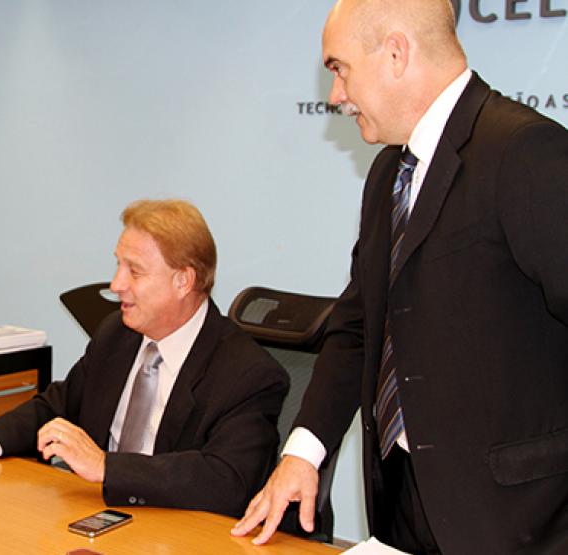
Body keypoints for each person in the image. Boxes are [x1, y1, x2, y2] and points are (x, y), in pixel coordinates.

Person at [231, 1, 568, 553]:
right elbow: (360, 324)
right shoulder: (390, 171)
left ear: (395, 53)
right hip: (402, 505)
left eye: (339, 68)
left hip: (517, 521)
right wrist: (303, 450)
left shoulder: (524, 152)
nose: (334, 95)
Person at [0, 199, 288, 517]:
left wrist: (107, 466)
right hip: (99, 519)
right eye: (118, 265)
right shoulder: (116, 335)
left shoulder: (248, 374)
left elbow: (227, 480)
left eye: (134, 271)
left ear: (183, 281)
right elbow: (54, 407)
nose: (116, 284)